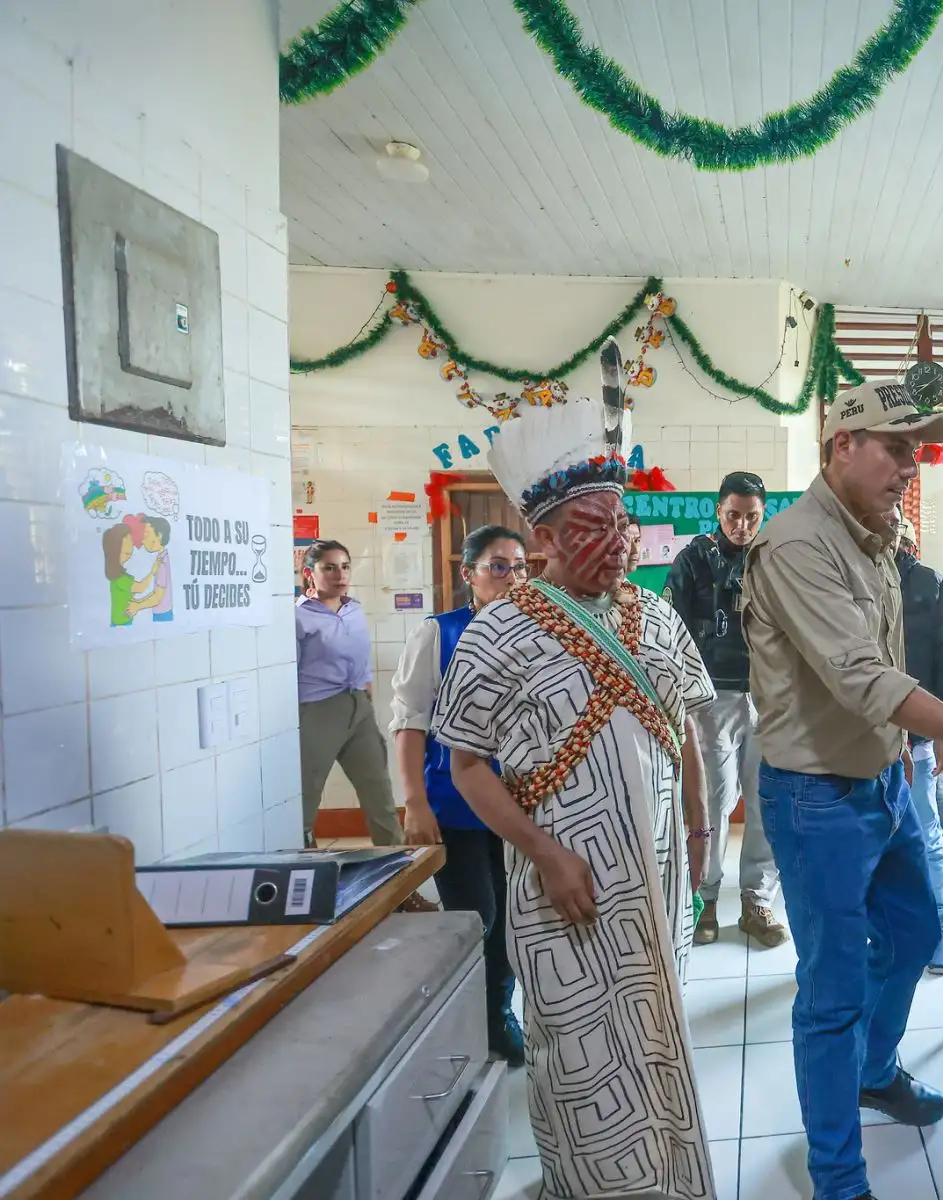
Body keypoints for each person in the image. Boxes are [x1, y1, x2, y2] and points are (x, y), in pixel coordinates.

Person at [742, 377, 943, 1200]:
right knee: (833, 987)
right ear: (842, 444)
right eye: (896, 448)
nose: (910, 467)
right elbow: (862, 678)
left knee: (917, 935)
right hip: (816, 801)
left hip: (884, 782)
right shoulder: (797, 544)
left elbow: (903, 658)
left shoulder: (873, 532)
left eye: (916, 451)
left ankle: (876, 1072)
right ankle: (838, 1177)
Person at [431, 394, 718, 1200]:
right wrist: (546, 853)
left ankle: (668, 1181)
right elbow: (467, 767)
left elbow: (688, 737)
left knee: (659, 1031)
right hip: (567, 884)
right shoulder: (497, 631)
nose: (620, 542)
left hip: (658, 879)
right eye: (595, 526)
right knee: (582, 1052)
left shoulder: (656, 616)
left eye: (624, 523)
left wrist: (700, 845)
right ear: (543, 539)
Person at [391, 524, 532, 1068]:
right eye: (498, 566)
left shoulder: (533, 633)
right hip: (453, 805)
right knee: (478, 918)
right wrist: (414, 802)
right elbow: (409, 723)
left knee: (515, 922)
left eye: (520, 566)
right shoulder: (439, 633)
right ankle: (460, 1021)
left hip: (518, 806)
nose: (512, 577)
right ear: (468, 573)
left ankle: (497, 1014)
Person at [664, 470, 786, 948]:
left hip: (770, 697)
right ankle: (707, 895)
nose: (741, 525)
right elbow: (674, 632)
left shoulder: (774, 558)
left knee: (765, 799)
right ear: (719, 511)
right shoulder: (693, 560)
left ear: (763, 515)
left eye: (751, 516)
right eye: (733, 515)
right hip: (711, 698)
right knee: (713, 801)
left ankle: (757, 899)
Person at [893, 517, 943, 974]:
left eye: (895, 526)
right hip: (865, 741)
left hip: (917, 738)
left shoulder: (929, 585)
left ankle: (942, 934)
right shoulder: (851, 578)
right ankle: (887, 935)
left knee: (927, 839)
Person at [297, 540, 402, 849]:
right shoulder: (300, 617)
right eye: (328, 568)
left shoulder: (353, 608)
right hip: (318, 710)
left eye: (344, 566)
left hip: (358, 707)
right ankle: (305, 872)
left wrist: (365, 684)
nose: (339, 575)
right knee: (306, 795)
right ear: (309, 573)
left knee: (379, 791)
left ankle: (397, 873)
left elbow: (359, 655)